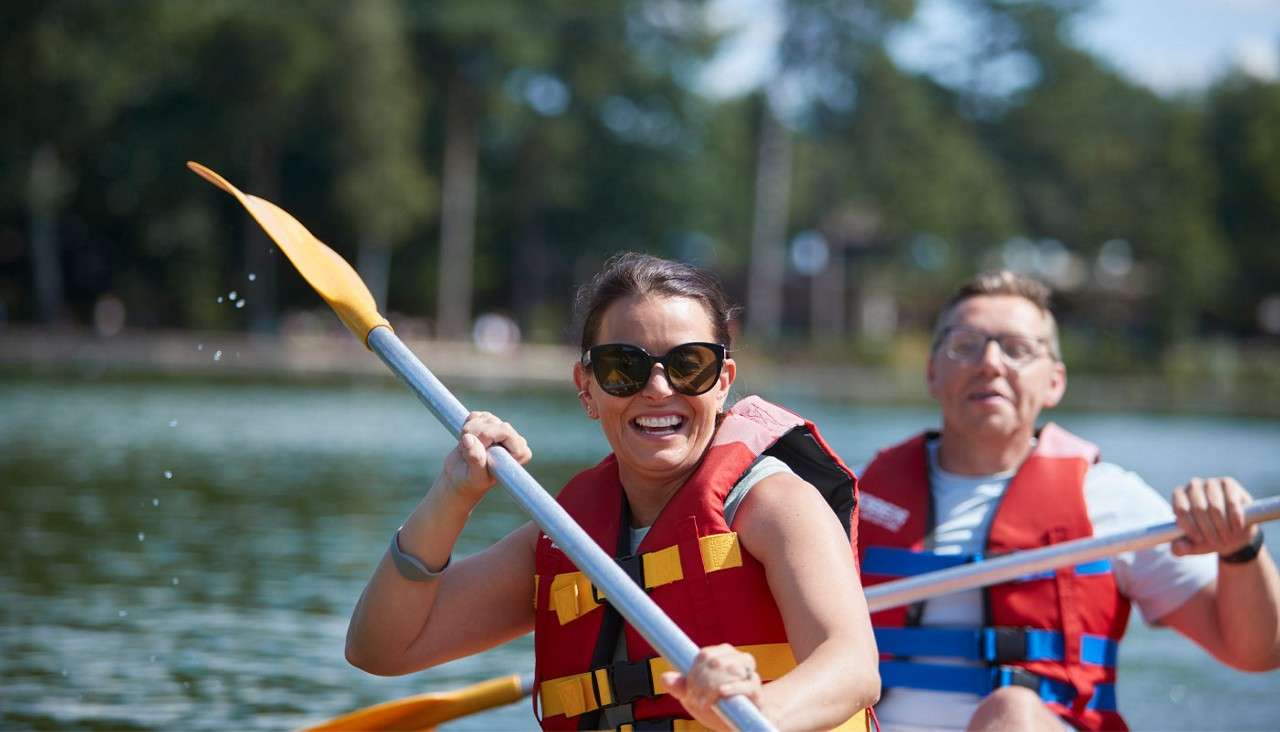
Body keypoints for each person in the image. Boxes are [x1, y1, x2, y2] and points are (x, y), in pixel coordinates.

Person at [345, 252, 881, 731]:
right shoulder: (564, 540)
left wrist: (755, 712)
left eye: (688, 365)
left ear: (722, 382)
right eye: (623, 367)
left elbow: (852, 669)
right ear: (587, 389)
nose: (658, 388)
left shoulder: (777, 506)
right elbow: (381, 648)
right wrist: (452, 495)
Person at [855, 270, 1280, 732]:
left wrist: (1241, 548)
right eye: (966, 345)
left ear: (1055, 382)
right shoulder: (853, 498)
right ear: (932, 371)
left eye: (1017, 349)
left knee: (1011, 714)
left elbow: (1256, 653)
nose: (991, 363)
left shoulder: (1111, 502)